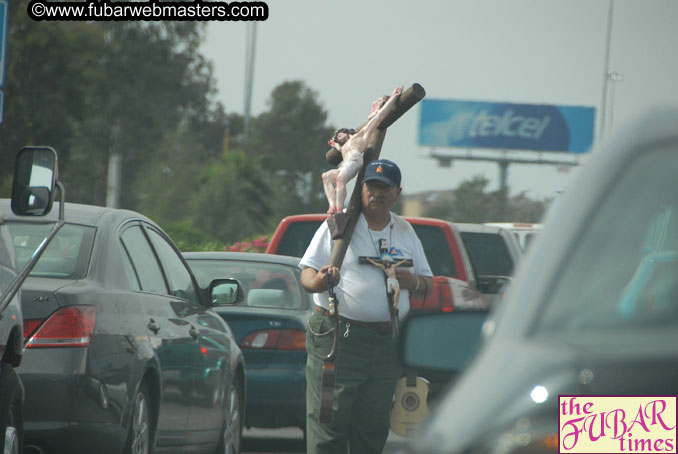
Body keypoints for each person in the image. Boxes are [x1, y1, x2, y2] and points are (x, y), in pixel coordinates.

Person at [300, 158, 434, 454]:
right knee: (328, 419)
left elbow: (428, 284)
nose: (377, 193)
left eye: (384, 188)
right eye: (371, 186)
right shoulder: (340, 224)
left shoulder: (404, 231)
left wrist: (411, 281)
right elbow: (307, 274)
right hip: (340, 336)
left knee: (372, 426)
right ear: (361, 189)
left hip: (387, 342)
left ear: (397, 194)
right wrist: (322, 281)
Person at [321, 86, 403, 215]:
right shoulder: (343, 146)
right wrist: (335, 144)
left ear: (347, 132)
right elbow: (338, 147)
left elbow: (378, 118)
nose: (340, 137)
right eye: (338, 137)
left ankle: (338, 208)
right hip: (345, 165)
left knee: (340, 179)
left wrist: (394, 97)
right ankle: (332, 206)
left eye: (341, 134)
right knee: (326, 176)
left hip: (354, 161)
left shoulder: (359, 137)